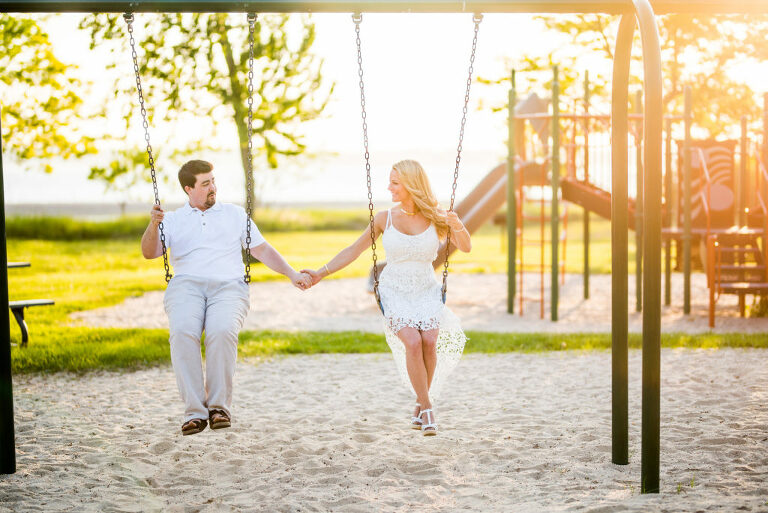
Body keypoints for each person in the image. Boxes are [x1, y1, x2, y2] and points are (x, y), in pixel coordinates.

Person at [141, 159, 312, 436]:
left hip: (229, 287)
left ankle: (218, 407)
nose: (213, 188)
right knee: (183, 332)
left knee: (221, 332)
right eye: (205, 183)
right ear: (189, 189)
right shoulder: (172, 219)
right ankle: (195, 412)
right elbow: (150, 252)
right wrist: (153, 224)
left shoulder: (234, 215)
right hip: (186, 286)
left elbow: (263, 250)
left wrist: (291, 274)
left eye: (213, 181)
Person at [303, 159, 471, 436]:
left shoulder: (436, 217)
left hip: (426, 288)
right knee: (413, 342)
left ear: (411, 185)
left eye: (395, 183)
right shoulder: (385, 218)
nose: (389, 187)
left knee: (429, 342)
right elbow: (354, 250)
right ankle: (427, 409)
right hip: (394, 289)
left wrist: (459, 225)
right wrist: (321, 272)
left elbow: (465, 247)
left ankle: (420, 404)